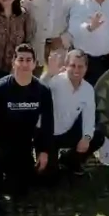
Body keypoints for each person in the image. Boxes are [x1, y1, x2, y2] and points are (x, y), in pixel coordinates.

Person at [0, 43, 53, 216]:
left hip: (24, 146)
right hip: (0, 143)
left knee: (21, 190)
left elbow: (47, 124)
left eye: (28, 60)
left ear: (34, 64)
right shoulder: (0, 88)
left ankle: (10, 180)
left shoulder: (42, 91)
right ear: (13, 62)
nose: (24, 64)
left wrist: (44, 151)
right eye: (20, 60)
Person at [40, 48, 101, 178]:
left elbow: (89, 116)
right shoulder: (55, 81)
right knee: (49, 177)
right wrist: (48, 74)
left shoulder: (88, 89)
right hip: (47, 134)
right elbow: (38, 90)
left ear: (86, 68)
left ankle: (70, 161)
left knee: (98, 136)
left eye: (80, 66)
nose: (76, 70)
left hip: (67, 132)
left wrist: (86, 137)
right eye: (72, 65)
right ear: (65, 66)